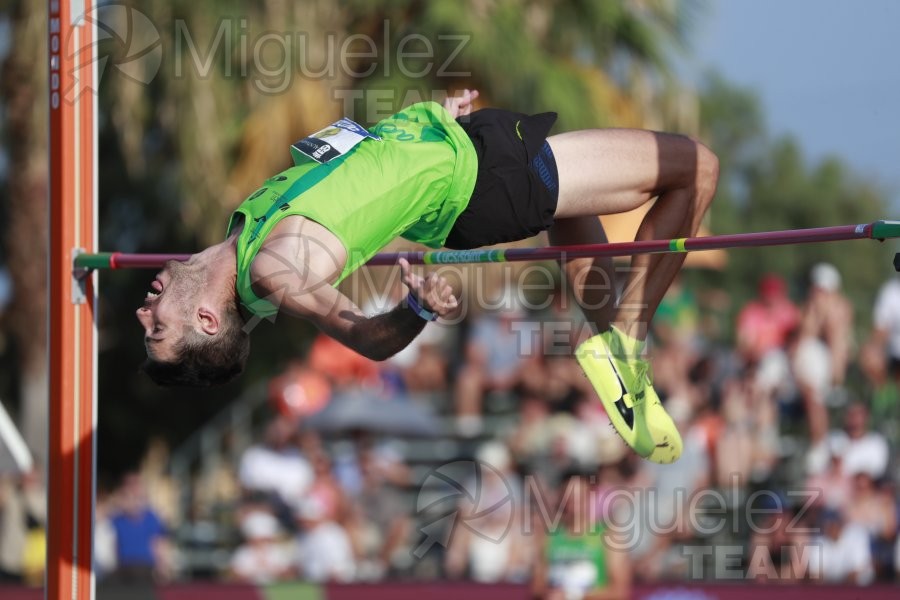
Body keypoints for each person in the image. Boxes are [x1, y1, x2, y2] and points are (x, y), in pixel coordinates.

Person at [136, 89, 719, 463]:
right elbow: (363, 337)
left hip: (460, 150)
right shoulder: (273, 273)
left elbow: (352, 170)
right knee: (696, 167)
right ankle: (628, 341)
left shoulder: (244, 233)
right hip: (482, 181)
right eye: (156, 330)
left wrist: (420, 123)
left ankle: (615, 361)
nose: (144, 312)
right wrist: (414, 312)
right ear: (207, 320)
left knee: (572, 215)